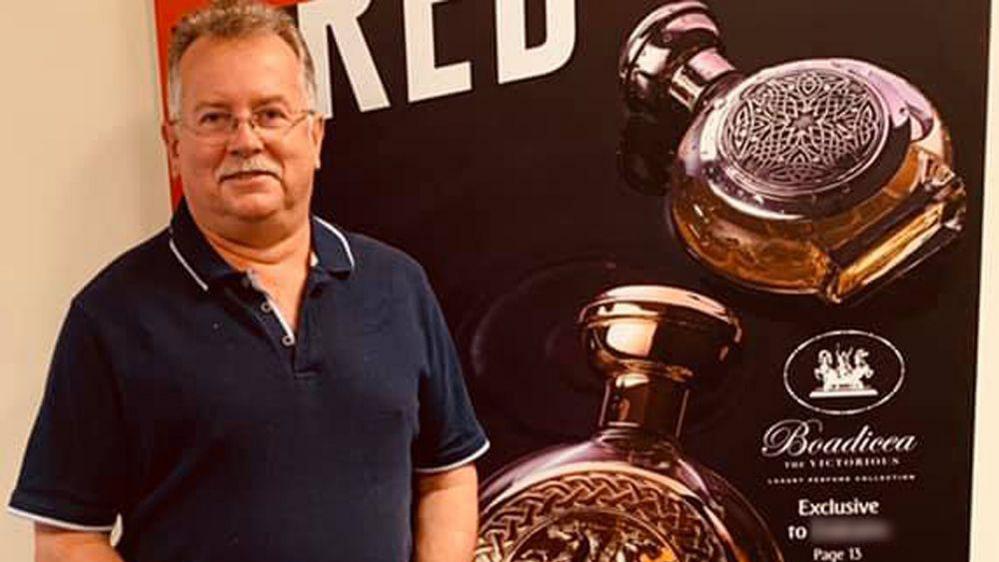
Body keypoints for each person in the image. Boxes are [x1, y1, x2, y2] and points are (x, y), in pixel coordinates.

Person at [7, 1, 488, 560]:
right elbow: (67, 537)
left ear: (315, 136)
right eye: (214, 117)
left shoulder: (398, 286)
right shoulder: (110, 317)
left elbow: (446, 476)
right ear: (174, 144)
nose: (245, 140)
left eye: (270, 114)